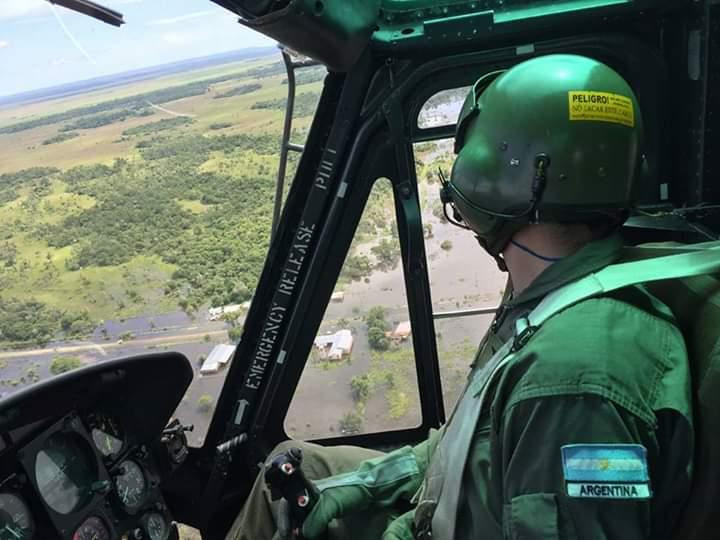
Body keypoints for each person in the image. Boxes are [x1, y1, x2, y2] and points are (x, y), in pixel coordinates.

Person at [228, 54, 693, 540]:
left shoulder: (569, 384)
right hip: (461, 504)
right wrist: (364, 484)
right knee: (285, 475)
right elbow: (473, 444)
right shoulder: (554, 295)